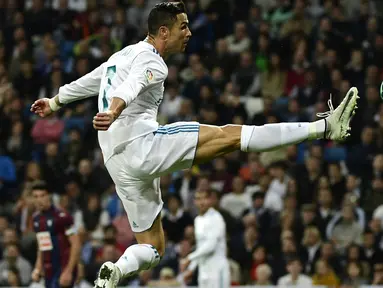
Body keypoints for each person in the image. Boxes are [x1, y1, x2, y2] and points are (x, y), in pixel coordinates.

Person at [30, 2, 359, 287]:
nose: (188, 33)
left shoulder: (122, 54)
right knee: (231, 136)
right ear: (163, 31)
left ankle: (117, 269)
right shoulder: (153, 61)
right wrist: (114, 110)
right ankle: (326, 127)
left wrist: (56, 101)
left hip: (117, 165)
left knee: (154, 247)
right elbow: (132, 86)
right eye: (183, 27)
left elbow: (92, 79)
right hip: (141, 144)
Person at [30, 181, 81, 288]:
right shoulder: (36, 219)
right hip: (49, 270)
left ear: (49, 196)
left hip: (63, 268)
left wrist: (68, 271)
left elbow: (76, 244)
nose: (39, 199)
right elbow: (42, 246)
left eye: (42, 195)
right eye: (36, 196)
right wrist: (38, 268)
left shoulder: (62, 216)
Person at [180, 189, 230, 288]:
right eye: (198, 199)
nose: (201, 202)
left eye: (205, 198)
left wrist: (189, 258)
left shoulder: (216, 218)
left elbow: (211, 246)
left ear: (210, 200)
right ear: (194, 202)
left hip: (217, 269)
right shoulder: (198, 220)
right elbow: (200, 247)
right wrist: (191, 268)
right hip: (204, 271)